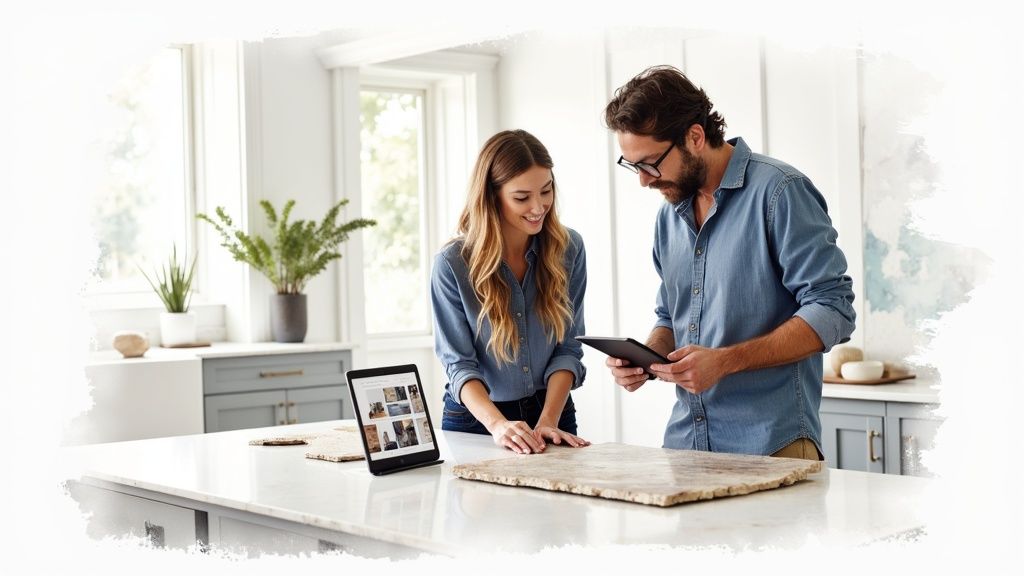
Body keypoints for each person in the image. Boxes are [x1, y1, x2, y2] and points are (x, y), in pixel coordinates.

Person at [603, 65, 856, 460]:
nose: (644, 181)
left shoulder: (780, 193)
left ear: (695, 136)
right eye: (634, 166)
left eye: (651, 163)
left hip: (772, 447)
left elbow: (833, 309)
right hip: (686, 446)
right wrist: (646, 356)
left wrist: (724, 362)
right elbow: (671, 315)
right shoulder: (669, 215)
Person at [431, 129, 590, 455]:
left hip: (554, 414)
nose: (538, 206)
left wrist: (548, 419)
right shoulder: (452, 264)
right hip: (477, 421)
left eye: (546, 191)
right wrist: (497, 424)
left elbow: (568, 348)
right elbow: (459, 364)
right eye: (522, 197)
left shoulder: (568, 248)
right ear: (492, 196)